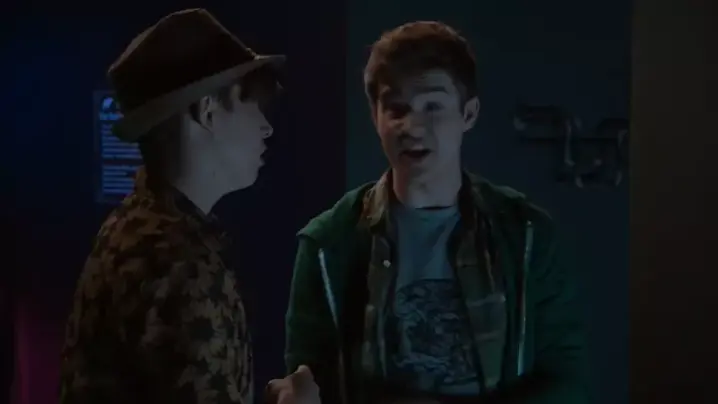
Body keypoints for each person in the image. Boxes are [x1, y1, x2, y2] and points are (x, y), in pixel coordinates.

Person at [272, 21, 588, 404]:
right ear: (375, 116)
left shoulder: (526, 235)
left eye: (433, 107)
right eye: (396, 108)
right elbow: (309, 379)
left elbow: (566, 378)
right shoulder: (328, 244)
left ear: (468, 114)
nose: (412, 126)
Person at [58, 9, 284, 404]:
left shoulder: (132, 226)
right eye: (248, 101)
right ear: (207, 111)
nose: (266, 126)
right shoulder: (183, 267)